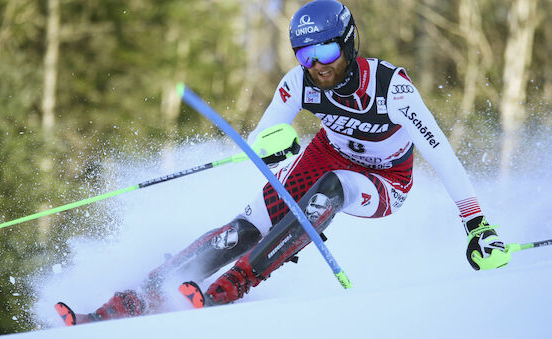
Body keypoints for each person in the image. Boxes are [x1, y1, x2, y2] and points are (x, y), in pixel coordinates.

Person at [56, 0, 512, 325]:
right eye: (305, 54)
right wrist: (275, 147)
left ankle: (236, 282)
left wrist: (476, 224)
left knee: (333, 186)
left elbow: (440, 152)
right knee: (246, 225)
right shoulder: (300, 81)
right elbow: (262, 135)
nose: (318, 65)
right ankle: (139, 294)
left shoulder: (392, 87)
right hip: (327, 153)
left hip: (385, 180)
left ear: (348, 43)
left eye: (327, 52)